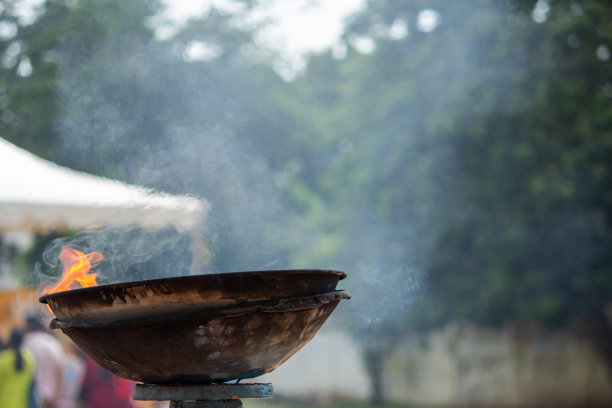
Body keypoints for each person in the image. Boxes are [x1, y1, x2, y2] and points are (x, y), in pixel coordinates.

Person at [23, 313, 65, 408]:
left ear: (27, 326)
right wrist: (55, 396)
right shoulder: (53, 344)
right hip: (50, 397)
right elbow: (60, 372)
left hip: (30, 398)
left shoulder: (25, 343)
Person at [0, 329, 37, 408]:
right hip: (23, 404)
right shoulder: (29, 358)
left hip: (4, 403)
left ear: (10, 340)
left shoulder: (4, 358)